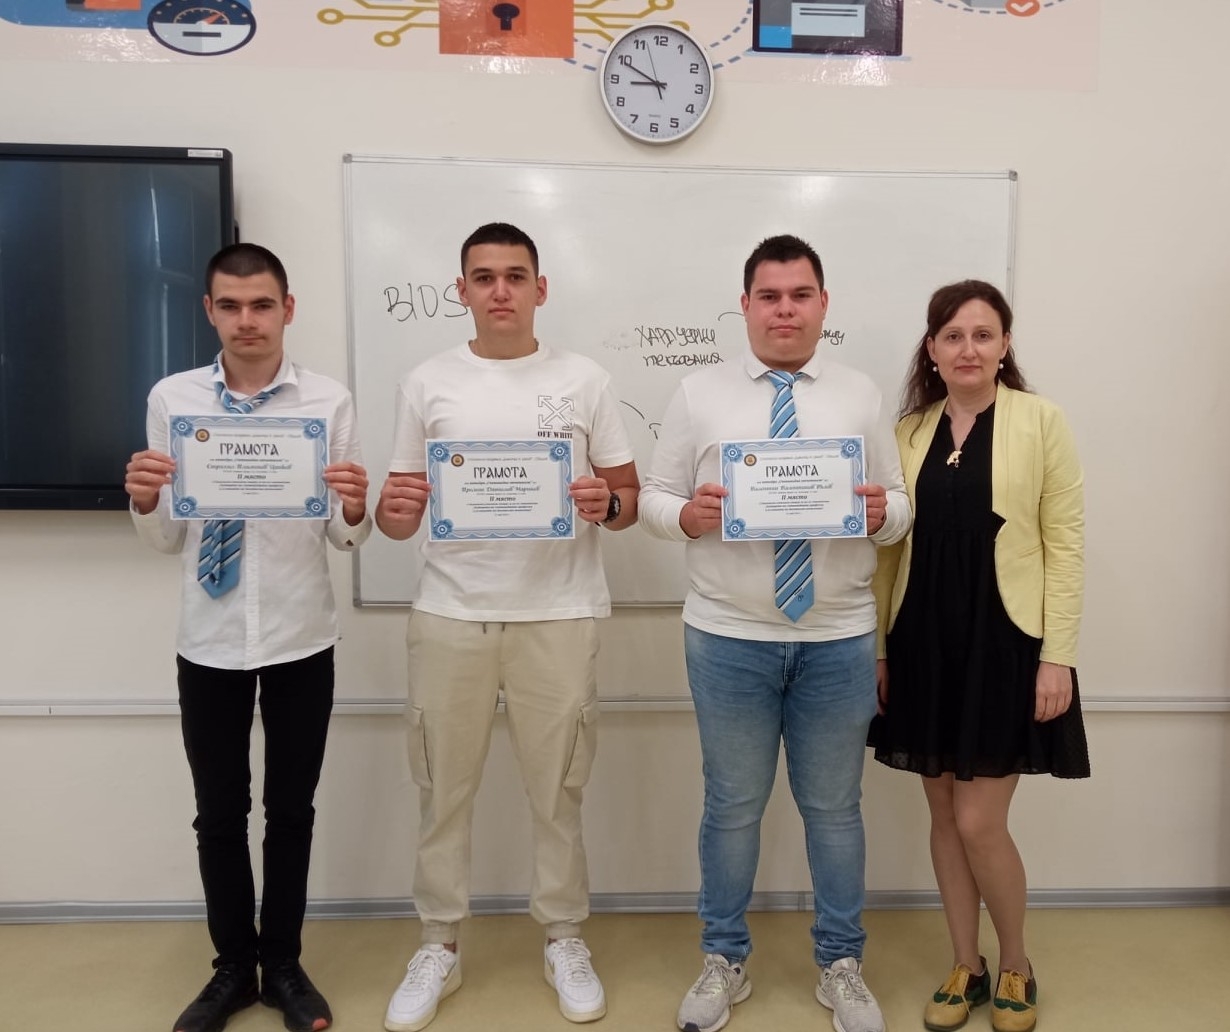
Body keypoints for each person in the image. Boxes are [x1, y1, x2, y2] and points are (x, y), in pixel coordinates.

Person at [638, 234, 909, 1032]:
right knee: (732, 807)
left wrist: (881, 514)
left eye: (799, 295)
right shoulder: (698, 393)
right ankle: (723, 958)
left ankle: (841, 964)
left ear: (823, 304)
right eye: (769, 296)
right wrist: (688, 516)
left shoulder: (860, 394)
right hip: (727, 638)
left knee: (835, 810)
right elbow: (654, 498)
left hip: (838, 637)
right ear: (746, 305)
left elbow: (900, 506)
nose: (784, 309)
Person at [375, 222, 639, 1031]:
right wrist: (393, 509)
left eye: (515, 276)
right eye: (483, 277)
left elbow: (626, 499)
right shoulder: (428, 382)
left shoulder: (584, 380)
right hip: (451, 612)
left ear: (539, 289)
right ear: (461, 290)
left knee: (557, 792)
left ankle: (563, 936)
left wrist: (604, 501)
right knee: (442, 790)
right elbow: (396, 517)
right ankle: (439, 943)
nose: (500, 290)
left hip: (558, 614)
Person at [124, 243, 372, 1032]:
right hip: (209, 639)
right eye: (230, 306)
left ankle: (284, 966)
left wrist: (355, 506)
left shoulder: (327, 401)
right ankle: (232, 967)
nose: (247, 321)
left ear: (287, 309)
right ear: (209, 311)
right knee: (219, 814)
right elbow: (168, 538)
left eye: (262, 305)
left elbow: (343, 536)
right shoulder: (173, 399)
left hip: (301, 635)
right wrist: (145, 500)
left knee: (291, 811)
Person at [869, 280, 1089, 1032]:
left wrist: (1058, 657)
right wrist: (879, 650)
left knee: (978, 822)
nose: (968, 349)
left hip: (1006, 643)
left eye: (983, 335)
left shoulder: (1040, 420)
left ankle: (1017, 961)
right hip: (922, 639)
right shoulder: (907, 431)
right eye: (953, 336)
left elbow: (1065, 546)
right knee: (942, 816)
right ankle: (966, 963)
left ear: (1005, 345)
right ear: (932, 348)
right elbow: (887, 553)